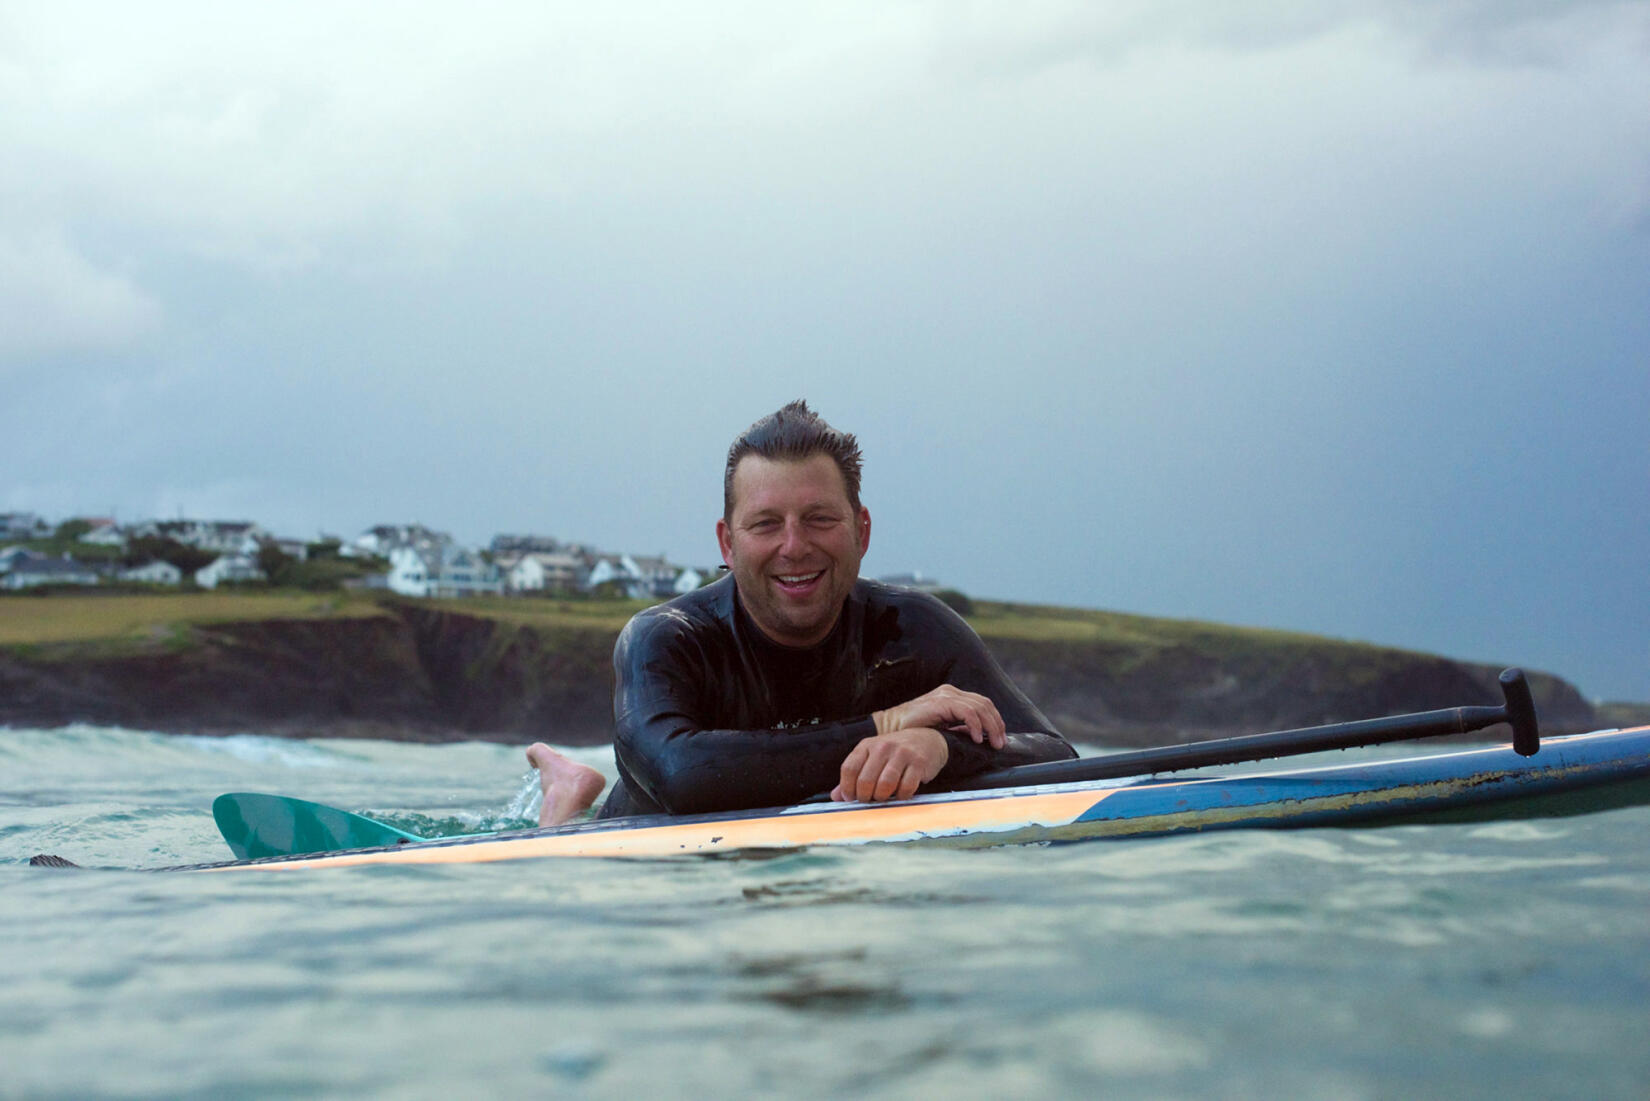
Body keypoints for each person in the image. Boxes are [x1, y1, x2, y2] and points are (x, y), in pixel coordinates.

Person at [525, 400, 1075, 824]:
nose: (794, 546)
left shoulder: (915, 630)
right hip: (644, 857)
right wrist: (884, 725)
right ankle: (564, 805)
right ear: (727, 543)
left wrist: (938, 748)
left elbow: (1056, 757)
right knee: (558, 854)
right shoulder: (667, 638)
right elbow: (679, 776)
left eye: (819, 519)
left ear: (860, 530)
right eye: (766, 524)